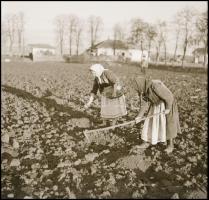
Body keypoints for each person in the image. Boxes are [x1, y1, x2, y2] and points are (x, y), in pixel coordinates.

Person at [131, 75, 181, 154]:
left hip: (167, 104)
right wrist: (139, 116)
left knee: (168, 124)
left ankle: (170, 145)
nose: (137, 89)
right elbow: (144, 104)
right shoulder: (143, 90)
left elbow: (169, 97)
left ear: (141, 84)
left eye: (137, 87)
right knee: (150, 122)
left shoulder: (155, 85)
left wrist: (167, 109)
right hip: (156, 105)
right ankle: (147, 142)